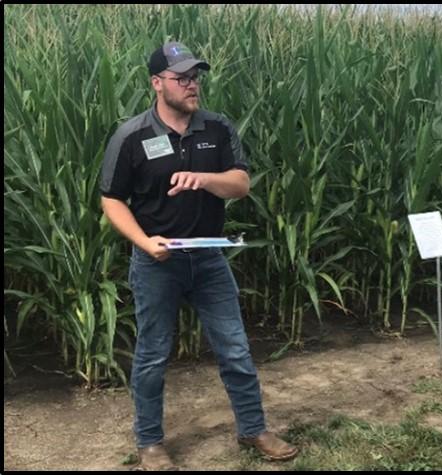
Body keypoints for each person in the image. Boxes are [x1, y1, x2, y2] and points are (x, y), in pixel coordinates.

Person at [100, 41, 298, 471]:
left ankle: (253, 428)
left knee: (235, 349)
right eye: (181, 78)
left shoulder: (217, 128)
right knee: (152, 354)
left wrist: (205, 178)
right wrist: (143, 241)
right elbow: (111, 199)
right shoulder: (131, 136)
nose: (192, 85)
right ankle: (150, 442)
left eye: (196, 78)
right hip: (158, 262)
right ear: (157, 83)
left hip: (209, 259)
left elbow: (241, 184)